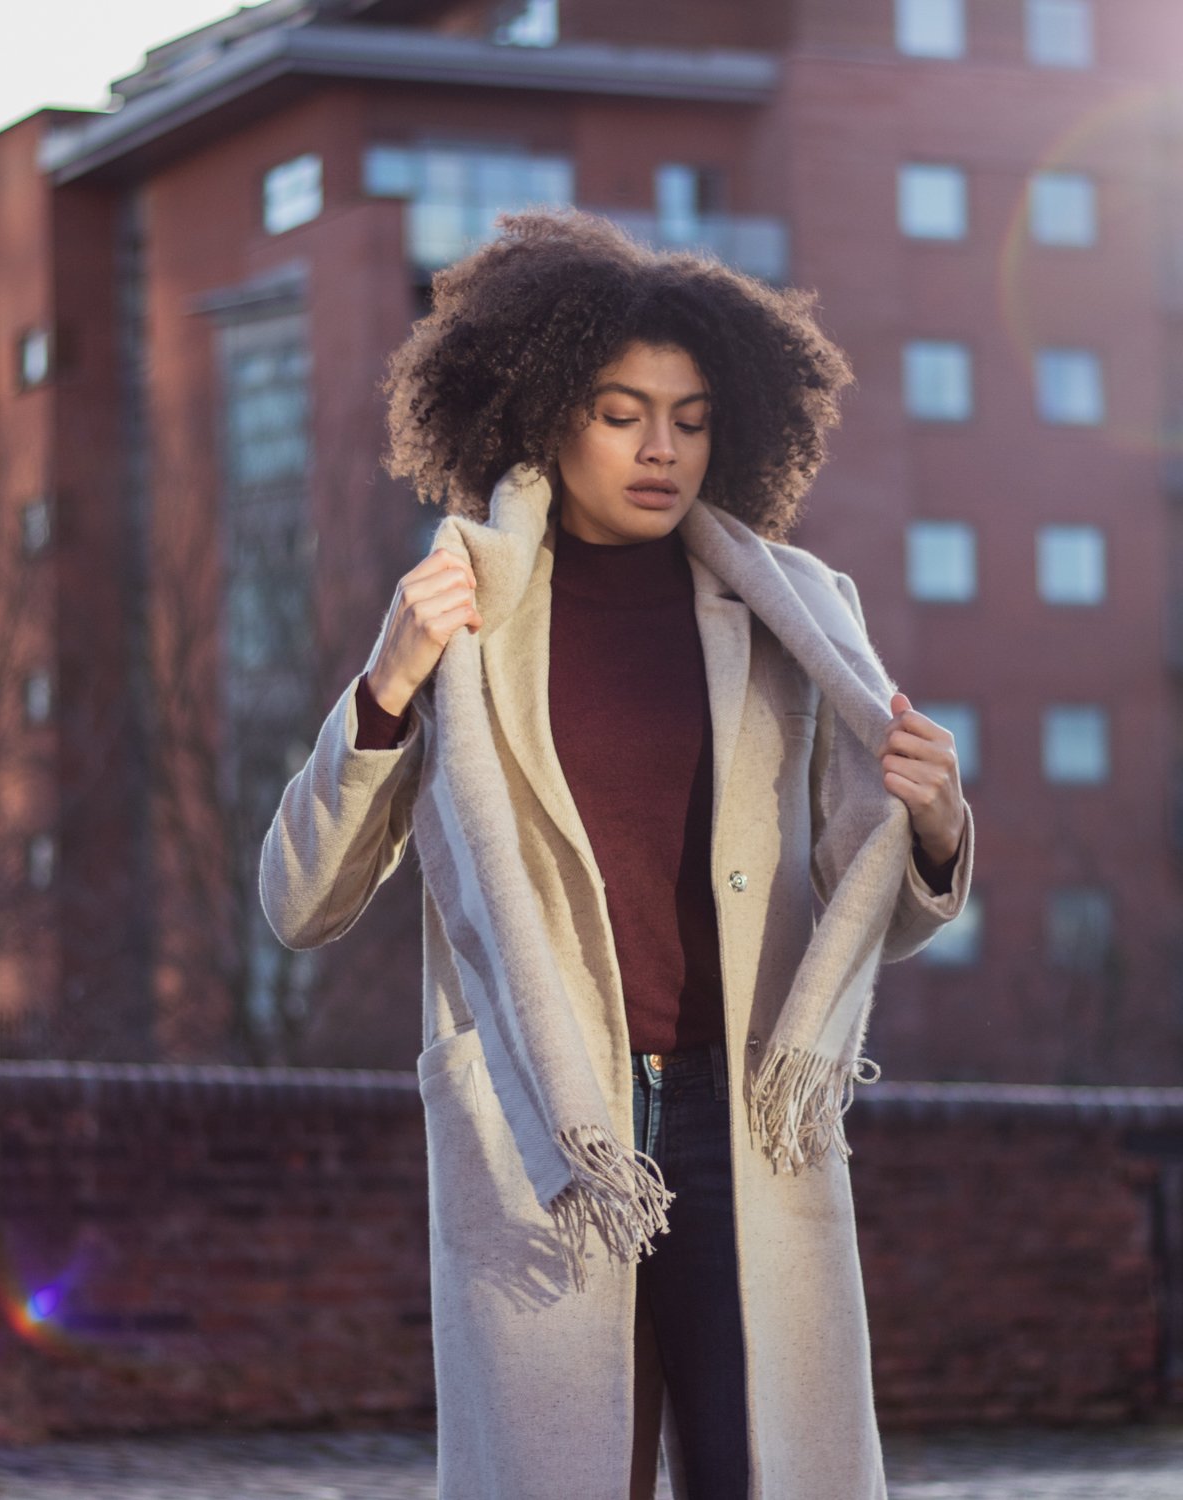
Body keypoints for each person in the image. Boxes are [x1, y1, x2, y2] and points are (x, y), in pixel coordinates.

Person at [260, 209, 973, 1500]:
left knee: (765, 1467)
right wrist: (386, 686)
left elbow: (870, 906)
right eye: (621, 410)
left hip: (741, 1115)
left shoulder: (794, 613)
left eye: (692, 417)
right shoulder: (464, 611)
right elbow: (302, 901)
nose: (662, 448)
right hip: (549, 1121)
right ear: (540, 413)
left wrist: (931, 831)